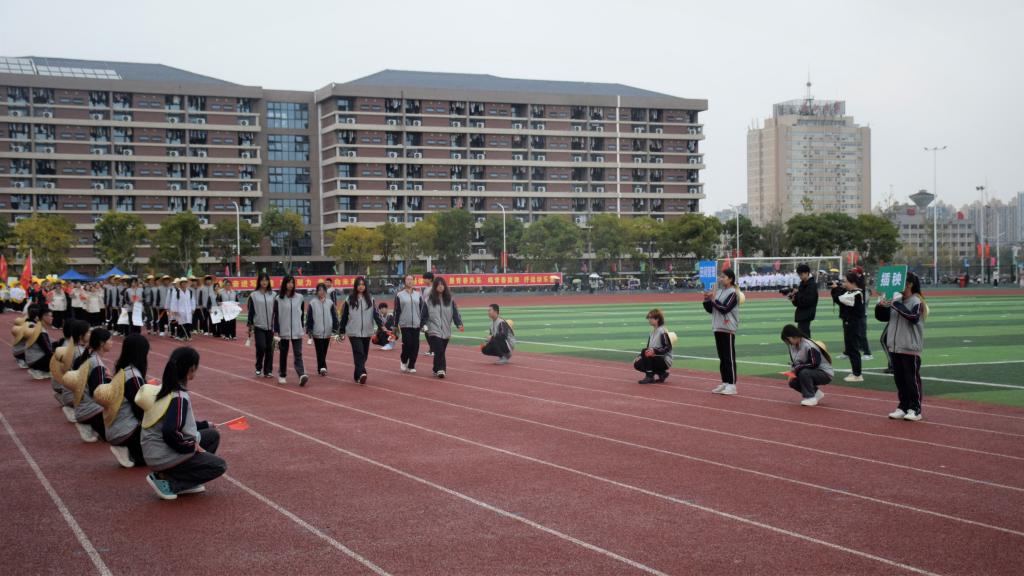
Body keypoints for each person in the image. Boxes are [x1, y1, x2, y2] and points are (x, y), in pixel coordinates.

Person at [138, 347, 227, 500]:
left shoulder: (164, 389)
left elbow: (179, 423)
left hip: (154, 450)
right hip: (162, 455)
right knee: (219, 466)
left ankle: (176, 476)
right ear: (191, 369)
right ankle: (171, 483)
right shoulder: (179, 397)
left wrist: (205, 425)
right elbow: (170, 431)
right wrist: (191, 446)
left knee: (212, 435)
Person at [875, 273, 928, 421]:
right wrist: (881, 305)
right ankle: (903, 406)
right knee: (899, 379)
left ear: (909, 284)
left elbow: (913, 317)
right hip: (895, 346)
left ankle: (915, 409)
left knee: (912, 380)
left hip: (910, 347)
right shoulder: (896, 300)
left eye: (901, 282)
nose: (897, 285)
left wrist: (895, 304)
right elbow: (882, 317)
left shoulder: (917, 301)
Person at [95, 333, 149, 468]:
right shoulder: (133, 376)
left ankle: (129, 449)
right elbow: (141, 409)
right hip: (125, 431)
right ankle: (128, 451)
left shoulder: (123, 371)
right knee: (159, 454)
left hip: (115, 428)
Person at [67, 328, 113, 443]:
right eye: (110, 340)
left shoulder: (89, 356)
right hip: (90, 410)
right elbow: (98, 394)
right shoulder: (96, 363)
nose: (112, 342)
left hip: (82, 407)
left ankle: (91, 425)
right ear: (102, 343)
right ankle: (88, 425)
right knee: (116, 435)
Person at [339, 277, 383, 384]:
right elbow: (344, 315)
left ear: (365, 286)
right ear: (355, 286)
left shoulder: (371, 299)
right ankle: (363, 373)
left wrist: (381, 326)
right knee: (359, 352)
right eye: (359, 284)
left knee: (364, 355)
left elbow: (376, 314)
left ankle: (357, 375)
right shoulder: (349, 299)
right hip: (353, 331)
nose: (361, 286)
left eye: (363, 284)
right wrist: (342, 330)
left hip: (367, 331)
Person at [703, 269, 740, 395]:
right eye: (720, 277)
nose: (720, 279)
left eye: (723, 277)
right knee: (722, 358)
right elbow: (711, 310)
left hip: (727, 328)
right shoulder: (719, 292)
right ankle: (725, 382)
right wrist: (707, 299)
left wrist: (713, 298)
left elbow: (725, 308)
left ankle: (732, 385)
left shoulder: (733, 293)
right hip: (718, 327)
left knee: (729, 357)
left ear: (730, 279)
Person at [780, 324, 833, 406]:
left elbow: (815, 363)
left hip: (824, 373)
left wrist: (797, 369)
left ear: (791, 337)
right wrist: (792, 372)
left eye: (787, 340)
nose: (787, 343)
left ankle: (810, 398)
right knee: (793, 382)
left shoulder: (809, 345)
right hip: (810, 371)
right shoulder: (792, 346)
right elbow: (795, 362)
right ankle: (816, 394)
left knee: (804, 372)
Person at [424, 277, 464, 378]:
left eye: (442, 284)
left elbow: (455, 313)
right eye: (438, 285)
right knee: (439, 349)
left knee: (440, 351)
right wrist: (422, 325)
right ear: (435, 287)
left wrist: (459, 324)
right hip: (433, 328)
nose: (440, 286)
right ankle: (441, 369)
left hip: (446, 329)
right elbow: (424, 314)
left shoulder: (450, 300)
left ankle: (435, 368)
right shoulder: (429, 300)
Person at [273, 275, 309, 386]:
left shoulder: (300, 297)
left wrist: (301, 326)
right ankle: (282, 375)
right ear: (284, 284)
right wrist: (276, 331)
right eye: (288, 282)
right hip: (284, 331)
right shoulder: (278, 299)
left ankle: (301, 374)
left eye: (292, 282)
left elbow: (301, 313)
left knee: (298, 353)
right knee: (283, 354)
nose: (290, 284)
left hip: (297, 330)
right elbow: (276, 316)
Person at [51, 319, 90, 422]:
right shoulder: (79, 352)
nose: (90, 335)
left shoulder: (72, 347)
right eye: (88, 332)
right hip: (71, 392)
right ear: (81, 336)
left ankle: (69, 401)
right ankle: (75, 410)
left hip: (66, 389)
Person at [831, 271, 865, 383]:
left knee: (853, 349)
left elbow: (839, 298)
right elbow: (840, 297)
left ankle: (857, 374)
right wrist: (836, 288)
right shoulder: (852, 292)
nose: (844, 284)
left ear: (853, 282)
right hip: (849, 323)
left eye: (846, 282)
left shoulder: (857, 294)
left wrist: (836, 289)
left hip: (853, 324)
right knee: (850, 349)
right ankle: (855, 372)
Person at [394, 274, 427, 374]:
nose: (409, 281)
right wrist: (395, 325)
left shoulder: (418, 295)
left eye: (411, 279)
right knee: (407, 344)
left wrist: (423, 323)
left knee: (415, 346)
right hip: (405, 324)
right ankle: (404, 360)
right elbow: (397, 311)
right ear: (404, 281)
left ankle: (411, 365)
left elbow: (422, 310)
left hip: (416, 324)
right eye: (407, 279)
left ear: (414, 281)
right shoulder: (399, 295)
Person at [306, 282, 339, 377]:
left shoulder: (330, 303)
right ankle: (323, 367)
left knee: (324, 351)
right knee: (319, 350)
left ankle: (320, 368)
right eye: (319, 290)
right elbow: (309, 317)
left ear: (326, 291)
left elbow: (334, 316)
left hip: (328, 331)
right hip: (317, 331)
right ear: (317, 292)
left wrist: (335, 327)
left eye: (323, 290)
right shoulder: (312, 303)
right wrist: (309, 329)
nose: (321, 292)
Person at [247, 272, 276, 378]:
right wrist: (250, 324)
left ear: (269, 282)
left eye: (266, 280)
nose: (264, 282)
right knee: (261, 346)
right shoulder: (254, 295)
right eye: (262, 280)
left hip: (271, 326)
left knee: (270, 349)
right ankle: (258, 366)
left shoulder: (273, 295)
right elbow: (251, 311)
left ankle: (268, 370)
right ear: (259, 281)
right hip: (259, 326)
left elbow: (277, 310)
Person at [633, 308, 672, 384]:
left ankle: (649, 376)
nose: (649, 320)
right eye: (649, 318)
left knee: (645, 351)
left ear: (657, 319)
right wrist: (639, 356)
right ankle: (661, 373)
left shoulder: (663, 331)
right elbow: (648, 348)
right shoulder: (652, 333)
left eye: (651, 318)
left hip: (664, 360)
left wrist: (654, 351)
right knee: (637, 364)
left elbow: (667, 347)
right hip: (655, 357)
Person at [24, 305, 55, 380]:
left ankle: (44, 370)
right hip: (35, 360)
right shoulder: (40, 332)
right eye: (50, 316)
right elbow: (48, 351)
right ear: (44, 317)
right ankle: (38, 370)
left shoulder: (40, 327)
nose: (52, 318)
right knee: (60, 356)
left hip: (33, 358)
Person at [788, 263, 818, 337]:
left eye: (801, 274)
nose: (800, 277)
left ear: (807, 273)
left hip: (806, 313)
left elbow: (807, 301)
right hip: (802, 313)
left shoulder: (811, 285)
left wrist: (797, 294)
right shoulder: (803, 283)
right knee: (802, 335)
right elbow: (799, 302)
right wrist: (793, 298)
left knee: (804, 336)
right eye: (799, 275)